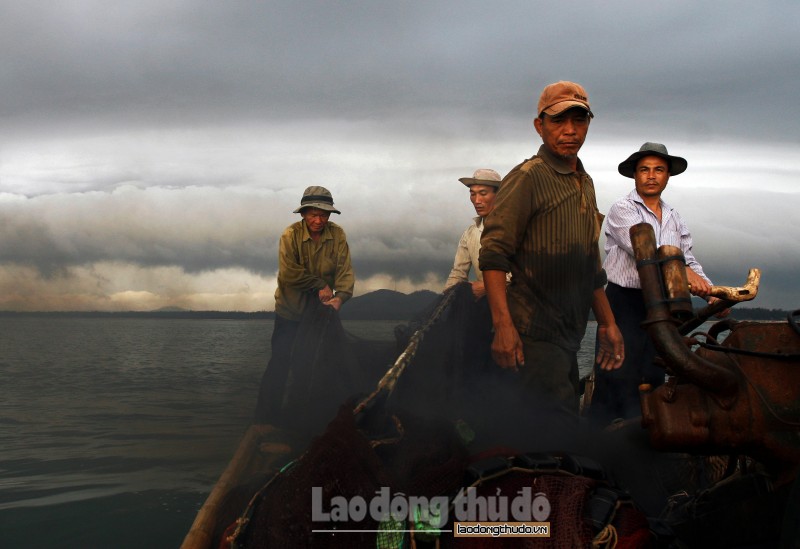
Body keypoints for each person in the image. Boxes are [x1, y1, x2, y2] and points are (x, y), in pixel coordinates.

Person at [478, 81, 624, 416]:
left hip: (568, 336)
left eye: (580, 120)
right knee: (548, 440)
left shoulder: (584, 183)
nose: (570, 131)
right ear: (539, 126)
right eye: (558, 121)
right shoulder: (528, 177)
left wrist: (607, 324)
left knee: (562, 427)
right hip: (532, 335)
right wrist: (503, 327)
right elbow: (494, 254)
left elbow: (589, 264)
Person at [590, 142, 728, 424]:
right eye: (644, 170)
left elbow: (687, 259)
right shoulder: (622, 209)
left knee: (653, 372)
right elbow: (643, 251)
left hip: (662, 305)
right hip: (623, 302)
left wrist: (712, 294)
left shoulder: (675, 217)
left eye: (658, 170)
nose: (651, 175)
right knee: (616, 371)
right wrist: (683, 272)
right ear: (635, 176)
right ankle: (598, 447)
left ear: (667, 176)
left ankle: (646, 442)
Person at [254, 186, 355, 424]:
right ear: (303, 214)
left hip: (321, 314)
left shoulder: (338, 235)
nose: (319, 220)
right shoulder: (290, 236)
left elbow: (345, 272)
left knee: (311, 364)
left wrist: (340, 297)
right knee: (280, 361)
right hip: (290, 311)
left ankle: (301, 418)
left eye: (324, 215)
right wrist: (319, 283)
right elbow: (289, 274)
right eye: (313, 214)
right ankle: (265, 419)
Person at [444, 168, 502, 299]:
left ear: (499, 194)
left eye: (483, 193)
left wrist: (487, 286)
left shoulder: (516, 227)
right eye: (473, 194)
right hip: (486, 305)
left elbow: (528, 273)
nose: (477, 200)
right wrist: (447, 295)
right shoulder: (470, 233)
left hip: (518, 304)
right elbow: (458, 273)